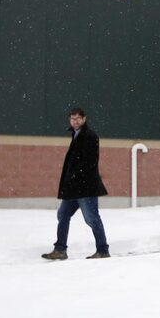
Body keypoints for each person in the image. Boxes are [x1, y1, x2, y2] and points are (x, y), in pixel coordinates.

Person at [42, 108, 110, 260]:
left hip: (86, 188)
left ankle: (103, 250)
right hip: (74, 188)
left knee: (92, 218)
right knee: (63, 214)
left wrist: (75, 174)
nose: (75, 121)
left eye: (78, 118)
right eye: (73, 119)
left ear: (84, 119)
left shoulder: (89, 136)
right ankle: (60, 250)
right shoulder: (76, 135)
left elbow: (90, 161)